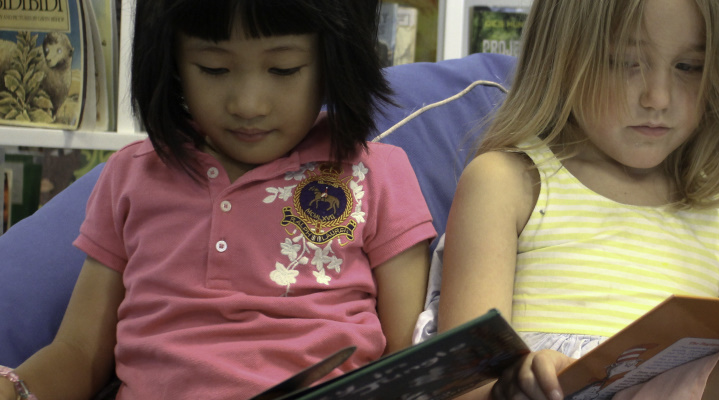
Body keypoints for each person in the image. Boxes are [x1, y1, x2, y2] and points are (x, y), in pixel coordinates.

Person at [0, 1, 435, 399]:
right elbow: (79, 352)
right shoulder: (131, 174)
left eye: (283, 69)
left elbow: (407, 361)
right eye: (212, 68)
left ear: (332, 60)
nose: (248, 105)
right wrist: (16, 389)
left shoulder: (376, 173)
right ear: (171, 62)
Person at [437, 0, 719, 399]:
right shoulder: (508, 182)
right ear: (561, 54)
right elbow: (460, 387)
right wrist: (515, 385)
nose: (658, 98)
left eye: (689, 67)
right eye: (626, 61)